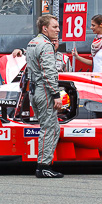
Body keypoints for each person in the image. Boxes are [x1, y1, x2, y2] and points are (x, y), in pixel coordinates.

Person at [25, 14, 64, 179]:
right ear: (44, 28)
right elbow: (49, 72)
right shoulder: (46, 45)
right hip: (45, 91)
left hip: (34, 90)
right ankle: (43, 167)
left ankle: (45, 165)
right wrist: (56, 94)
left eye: (57, 26)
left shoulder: (32, 42)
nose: (58, 29)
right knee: (49, 129)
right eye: (54, 27)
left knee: (53, 128)